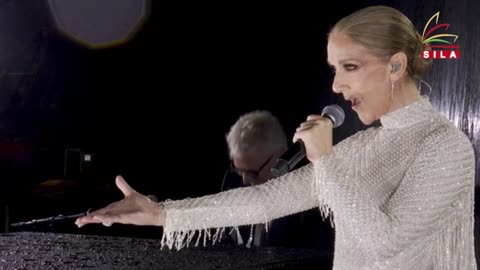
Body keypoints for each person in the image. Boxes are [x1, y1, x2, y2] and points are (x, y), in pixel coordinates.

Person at [75, 5, 477, 269]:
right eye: (333, 68)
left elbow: (385, 242)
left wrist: (325, 160)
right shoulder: (361, 147)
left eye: (350, 67)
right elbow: (267, 199)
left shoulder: (445, 147)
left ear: (395, 65)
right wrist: (162, 214)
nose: (336, 85)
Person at [220, 110, 334, 253]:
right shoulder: (232, 183)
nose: (245, 180)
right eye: (238, 170)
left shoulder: (312, 207)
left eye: (253, 173)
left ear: (281, 156)